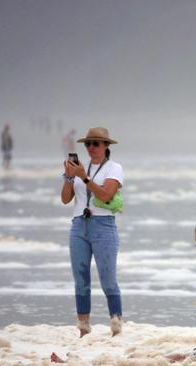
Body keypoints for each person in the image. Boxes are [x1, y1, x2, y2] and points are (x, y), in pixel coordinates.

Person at [61, 127, 124, 337]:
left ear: (106, 146)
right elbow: (65, 199)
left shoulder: (114, 168)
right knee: (80, 278)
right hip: (79, 224)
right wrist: (70, 177)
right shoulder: (80, 166)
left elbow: (106, 195)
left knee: (108, 279)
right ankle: (83, 328)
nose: (91, 148)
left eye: (96, 143)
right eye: (88, 144)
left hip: (103, 225)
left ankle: (116, 327)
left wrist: (85, 177)